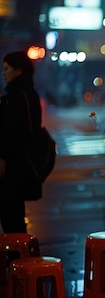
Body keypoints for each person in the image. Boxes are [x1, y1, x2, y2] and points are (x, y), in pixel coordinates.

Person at [0, 50, 43, 233]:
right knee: (14, 218)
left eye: (7, 68)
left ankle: (17, 258)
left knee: (11, 219)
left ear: (18, 70)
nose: (3, 73)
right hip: (21, 165)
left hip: (12, 167)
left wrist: (3, 159)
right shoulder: (29, 93)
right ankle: (20, 257)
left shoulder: (17, 97)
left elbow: (12, 133)